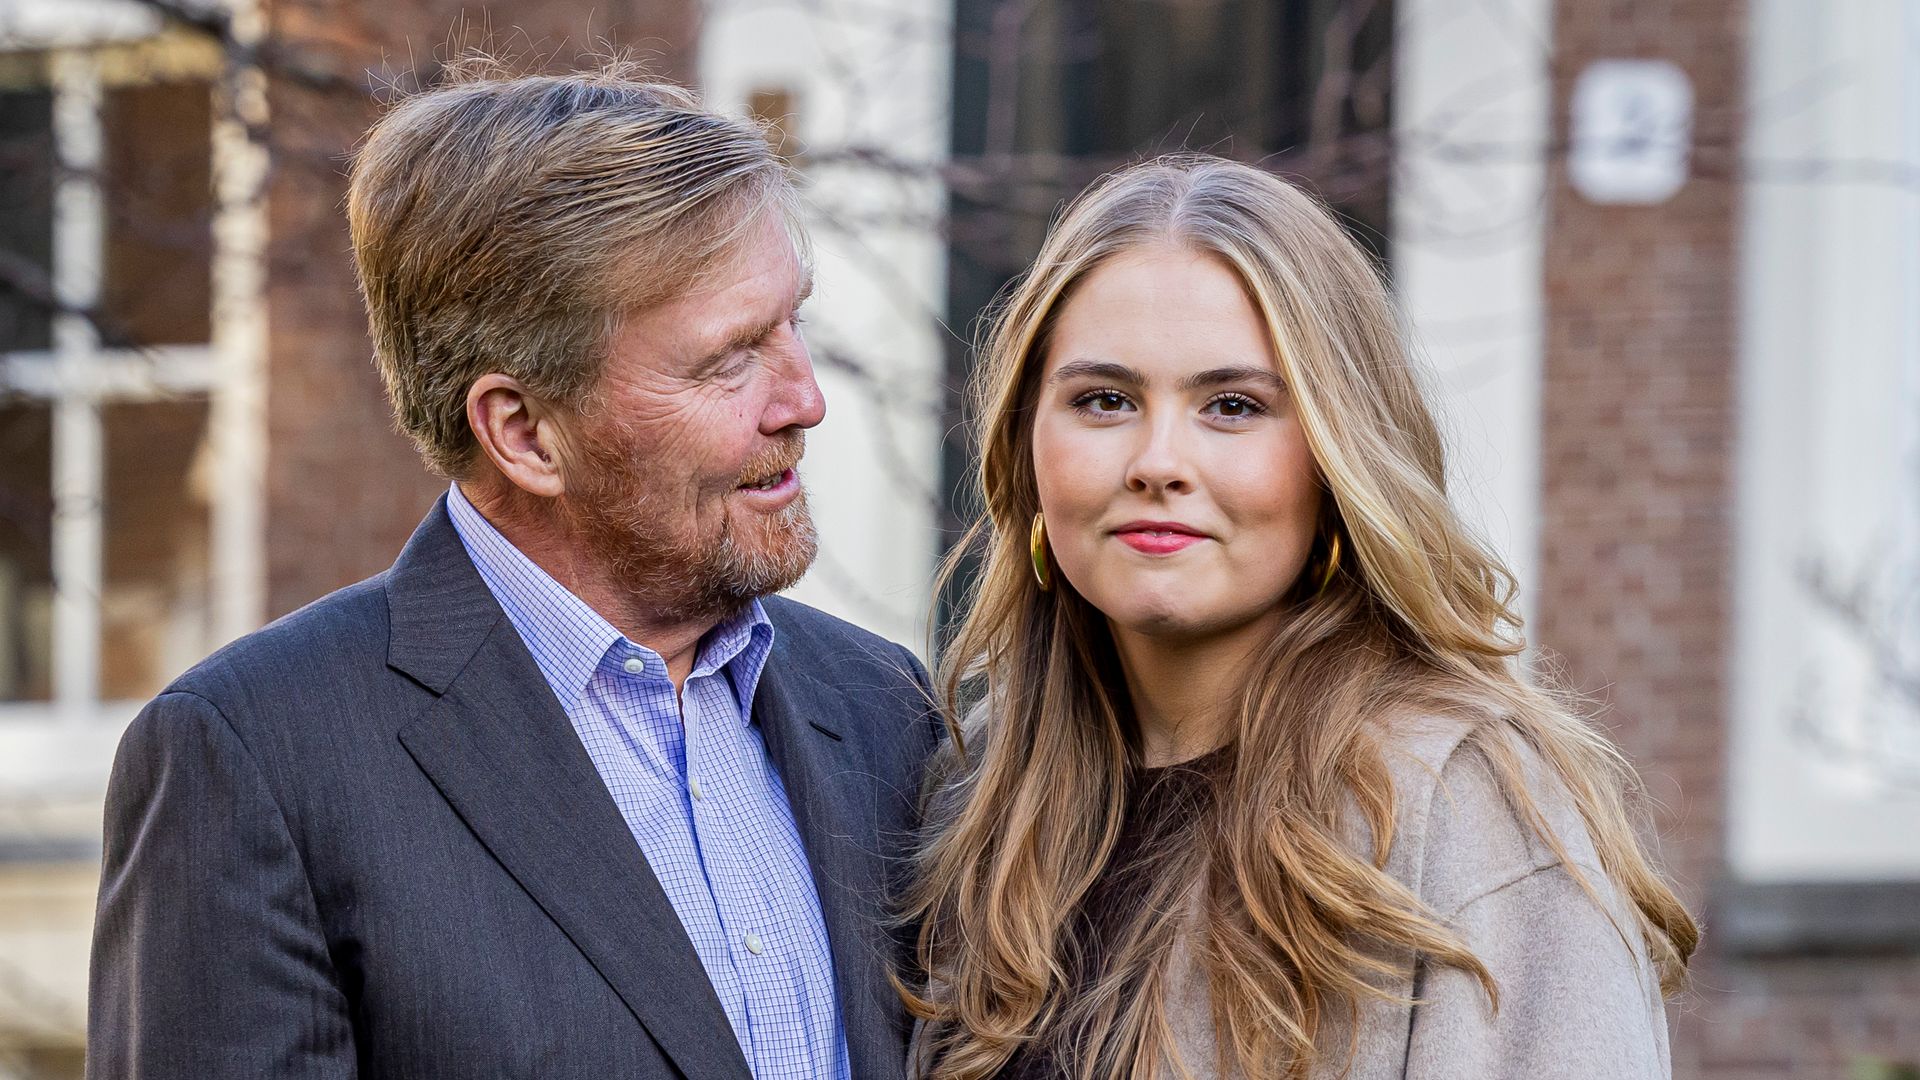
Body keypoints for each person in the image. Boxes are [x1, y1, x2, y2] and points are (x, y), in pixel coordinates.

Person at [87, 61, 938, 1080]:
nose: (804, 399)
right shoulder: (256, 764)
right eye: (730, 359)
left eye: (793, 323)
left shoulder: (888, 710)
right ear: (524, 431)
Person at [901, 155, 1699, 1080]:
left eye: (1233, 406)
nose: (1158, 461)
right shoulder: (975, 798)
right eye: (1104, 401)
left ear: (1337, 455)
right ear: (1025, 445)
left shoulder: (1461, 802)